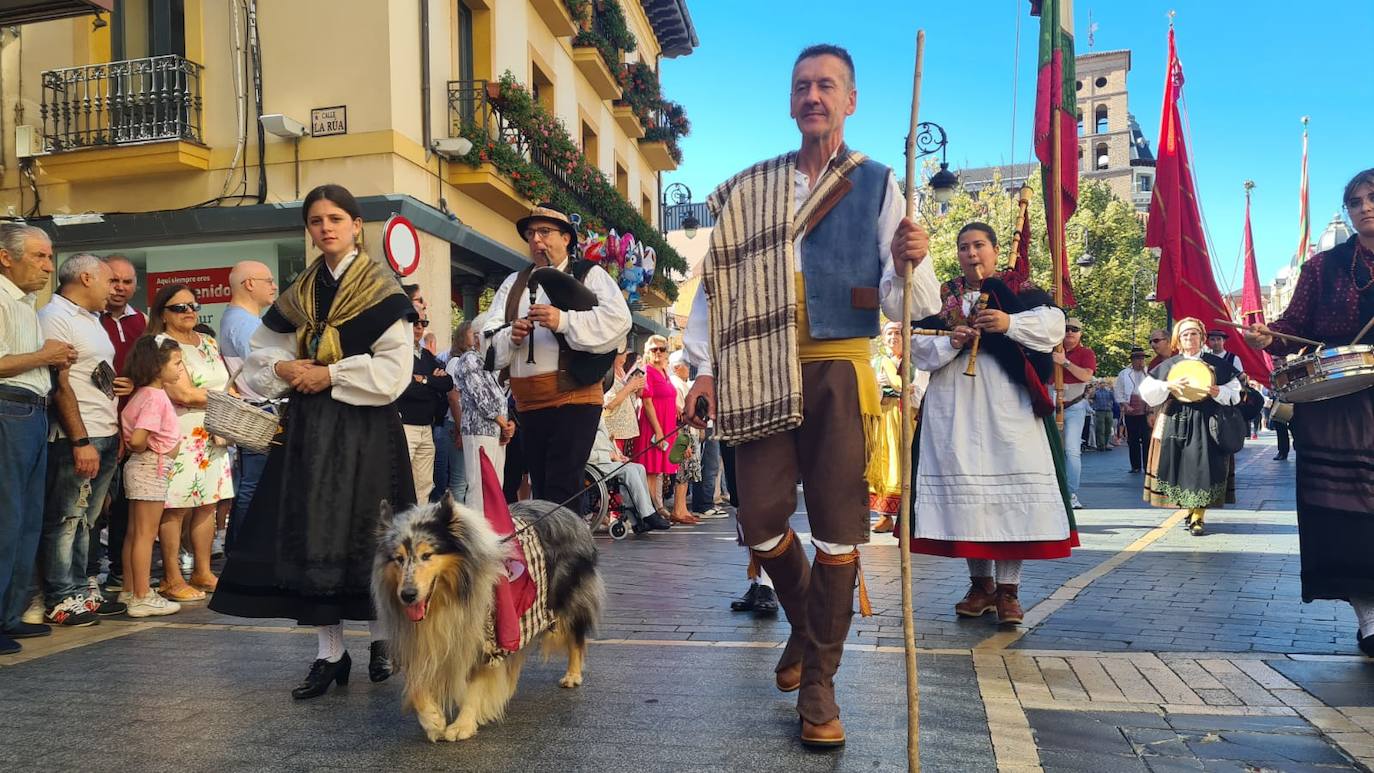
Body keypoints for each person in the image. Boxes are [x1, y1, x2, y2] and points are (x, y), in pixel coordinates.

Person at [683, 44, 938, 747]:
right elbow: (716, 282)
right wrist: (700, 368)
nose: (813, 96)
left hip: (838, 370)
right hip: (758, 365)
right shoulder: (749, 189)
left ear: (850, 100)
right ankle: (806, 624)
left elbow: (906, 301)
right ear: (790, 101)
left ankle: (820, 683)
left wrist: (910, 261)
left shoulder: (882, 185)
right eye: (802, 86)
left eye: (827, 85)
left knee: (836, 527)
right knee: (759, 516)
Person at [209, 183, 418, 696]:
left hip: (366, 427)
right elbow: (262, 354)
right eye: (316, 220)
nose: (325, 227)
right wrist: (284, 366)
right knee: (315, 533)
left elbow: (395, 370)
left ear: (355, 226)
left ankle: (379, 642)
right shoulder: (299, 291)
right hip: (309, 428)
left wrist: (332, 375)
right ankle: (330, 654)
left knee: (372, 532)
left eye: (335, 218)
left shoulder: (381, 288)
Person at [909, 222, 1076, 628]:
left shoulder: (1021, 290)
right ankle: (980, 585)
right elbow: (917, 346)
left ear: (995, 250)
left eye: (979, 245)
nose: (971, 253)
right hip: (954, 405)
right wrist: (951, 341)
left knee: (1008, 498)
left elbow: (1053, 327)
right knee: (970, 493)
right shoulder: (942, 296)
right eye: (963, 246)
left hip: (1008, 406)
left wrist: (1008, 324)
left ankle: (1008, 591)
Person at [1245, 167, 1374, 657]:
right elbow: (1292, 324)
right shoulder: (1323, 267)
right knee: (1349, 519)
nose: (1363, 206)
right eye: (1355, 201)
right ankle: (1370, 621)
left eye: (1372, 197)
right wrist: (1268, 336)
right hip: (1340, 406)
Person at [483, 204, 632, 506]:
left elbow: (619, 321)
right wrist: (509, 336)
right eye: (530, 234)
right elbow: (486, 341)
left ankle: (565, 553)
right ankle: (556, 551)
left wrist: (563, 321)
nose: (536, 240)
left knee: (561, 488)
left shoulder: (589, 275)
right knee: (541, 489)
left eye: (545, 232)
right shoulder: (514, 284)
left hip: (573, 399)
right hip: (528, 404)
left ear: (566, 238)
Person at [36, 253, 129, 624]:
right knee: (65, 518)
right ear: (87, 278)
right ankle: (60, 597)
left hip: (104, 430)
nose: (115, 289)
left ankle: (81, 589)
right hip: (78, 434)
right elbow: (60, 386)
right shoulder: (54, 317)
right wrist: (79, 440)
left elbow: (94, 374)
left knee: (88, 520)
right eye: (110, 281)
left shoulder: (92, 319)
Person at [0, 224, 75, 654]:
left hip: (30, 410)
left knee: (27, 520)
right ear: (6, 257)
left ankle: (10, 614)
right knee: (8, 519)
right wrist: (45, 356)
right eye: (39, 256)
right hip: (9, 408)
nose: (48, 266)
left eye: (49, 257)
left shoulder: (26, 304)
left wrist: (51, 360)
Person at [149, 285, 234, 601]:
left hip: (213, 429)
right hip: (179, 431)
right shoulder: (160, 344)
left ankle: (202, 570)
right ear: (163, 313)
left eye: (193, 305)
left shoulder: (208, 342)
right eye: (179, 307)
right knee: (177, 505)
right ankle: (171, 577)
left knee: (209, 503)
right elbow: (181, 393)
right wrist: (224, 398)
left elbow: (225, 383)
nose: (188, 311)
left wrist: (222, 398)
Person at [1140, 317, 1241, 537]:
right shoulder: (1169, 365)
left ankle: (1198, 516)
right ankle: (1190, 508)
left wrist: (1219, 392)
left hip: (1208, 420)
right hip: (1177, 420)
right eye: (1185, 334)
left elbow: (1235, 393)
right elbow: (1146, 391)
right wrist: (1168, 385)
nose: (1190, 338)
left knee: (1204, 467)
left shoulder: (1218, 364)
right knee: (1182, 465)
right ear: (1178, 339)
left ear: (1202, 337)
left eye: (1194, 333)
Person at [118, 336, 185, 617]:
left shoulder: (143, 394)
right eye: (177, 363)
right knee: (146, 534)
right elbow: (138, 438)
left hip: (144, 468)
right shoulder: (155, 397)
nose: (181, 369)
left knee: (135, 533)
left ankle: (131, 589)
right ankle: (143, 595)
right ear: (158, 366)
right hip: (150, 468)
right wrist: (143, 446)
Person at [219, 260, 277, 554]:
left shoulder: (239, 320)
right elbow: (267, 370)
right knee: (253, 486)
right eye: (268, 280)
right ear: (249, 284)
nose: (274, 286)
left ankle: (242, 551)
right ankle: (244, 553)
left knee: (252, 485)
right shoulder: (243, 323)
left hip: (259, 409)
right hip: (260, 409)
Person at [98, 254, 147, 594]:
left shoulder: (140, 321)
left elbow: (151, 369)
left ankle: (118, 570)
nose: (119, 287)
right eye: (113, 280)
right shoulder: (89, 318)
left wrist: (136, 382)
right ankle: (86, 574)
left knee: (127, 505)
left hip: (134, 427)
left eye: (126, 281)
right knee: (96, 504)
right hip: (98, 425)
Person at [447, 320, 512, 514]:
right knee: (479, 486)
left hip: (495, 431)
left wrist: (507, 426)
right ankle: (477, 536)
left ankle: (493, 530)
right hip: (478, 429)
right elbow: (481, 395)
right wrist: (502, 422)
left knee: (495, 485)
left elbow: (500, 396)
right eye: (474, 333)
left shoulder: (487, 361)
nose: (479, 336)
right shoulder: (468, 358)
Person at [396, 312, 453, 503]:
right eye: (414, 322)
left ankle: (417, 527)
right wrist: (432, 383)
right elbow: (405, 389)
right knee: (400, 482)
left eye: (423, 323)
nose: (419, 327)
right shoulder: (398, 353)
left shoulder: (427, 355)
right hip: (406, 426)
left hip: (426, 428)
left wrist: (424, 379)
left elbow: (448, 383)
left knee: (424, 485)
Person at [586, 418, 671, 533]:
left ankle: (638, 520)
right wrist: (609, 456)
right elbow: (583, 454)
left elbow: (609, 442)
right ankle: (647, 514)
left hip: (608, 461)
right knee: (628, 472)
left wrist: (619, 455)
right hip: (596, 465)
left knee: (639, 468)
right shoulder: (580, 424)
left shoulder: (597, 418)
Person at [637, 336, 689, 523]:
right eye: (654, 349)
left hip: (667, 425)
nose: (658, 352)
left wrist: (677, 407)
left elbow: (667, 394)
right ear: (647, 352)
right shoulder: (647, 371)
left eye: (661, 349)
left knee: (659, 470)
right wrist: (658, 431)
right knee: (650, 470)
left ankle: (656, 507)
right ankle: (651, 510)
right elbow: (648, 402)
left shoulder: (665, 372)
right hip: (653, 426)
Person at [1055, 317, 1096, 508]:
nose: (1070, 332)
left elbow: (1086, 376)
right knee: (1052, 449)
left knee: (1071, 450)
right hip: (1051, 406)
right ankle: (1053, 490)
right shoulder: (1049, 348)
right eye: (1066, 329)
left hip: (1074, 406)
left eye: (1074, 329)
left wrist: (1064, 363)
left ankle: (1070, 493)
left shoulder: (1086, 353)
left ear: (1080, 333)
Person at [1115, 347, 1151, 473]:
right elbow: (1118, 392)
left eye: (1142, 359)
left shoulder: (1149, 372)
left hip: (1146, 408)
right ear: (1133, 360)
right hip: (1131, 407)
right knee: (1133, 439)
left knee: (1147, 438)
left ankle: (1148, 465)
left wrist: (1149, 404)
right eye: (1137, 359)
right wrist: (1125, 405)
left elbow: (1154, 389)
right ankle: (1135, 465)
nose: (1140, 361)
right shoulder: (1124, 374)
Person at [603, 349, 644, 456]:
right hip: (614, 432)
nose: (626, 355)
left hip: (626, 431)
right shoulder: (607, 372)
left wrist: (637, 386)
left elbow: (629, 399)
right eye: (623, 352)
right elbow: (610, 403)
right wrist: (630, 386)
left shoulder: (620, 371)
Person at [1089, 378, 1117, 452]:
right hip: (1099, 412)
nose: (1103, 384)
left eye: (1104, 383)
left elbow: (1114, 400)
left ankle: (1105, 444)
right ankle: (1101, 445)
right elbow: (1091, 397)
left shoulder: (1109, 392)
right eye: (1101, 383)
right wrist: (1093, 388)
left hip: (1108, 411)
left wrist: (1112, 389)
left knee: (1108, 429)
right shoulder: (1096, 392)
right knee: (1100, 429)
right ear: (1099, 384)